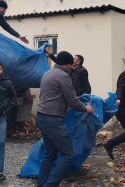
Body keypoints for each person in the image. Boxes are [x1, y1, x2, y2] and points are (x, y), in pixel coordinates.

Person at [36, 51, 94, 187]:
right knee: (69, 153)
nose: (71, 67)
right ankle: (51, 184)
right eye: (70, 65)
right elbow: (73, 100)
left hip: (42, 116)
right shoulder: (63, 76)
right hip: (53, 120)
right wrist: (86, 109)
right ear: (66, 64)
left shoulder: (48, 73)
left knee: (49, 154)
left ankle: (41, 184)